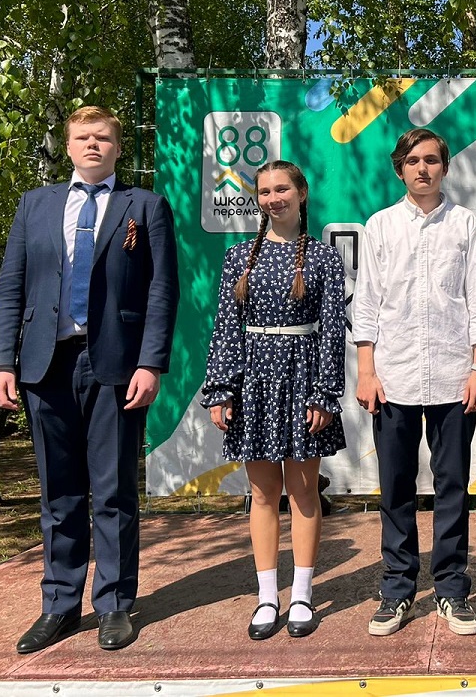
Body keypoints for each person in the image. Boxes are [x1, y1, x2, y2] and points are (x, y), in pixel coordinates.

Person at [0, 106, 179, 653]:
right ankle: (59, 605)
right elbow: (11, 286)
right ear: (68, 146)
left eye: (103, 137)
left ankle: (115, 604)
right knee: (59, 493)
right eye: (82, 137)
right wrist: (1, 362)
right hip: (44, 365)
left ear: (118, 146)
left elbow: (162, 290)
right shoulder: (36, 204)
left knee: (114, 492)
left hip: (115, 366)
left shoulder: (145, 205)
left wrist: (150, 363)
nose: (93, 145)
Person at [353, 128, 476, 637]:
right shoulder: (380, 226)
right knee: (395, 487)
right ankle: (396, 590)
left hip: (454, 378)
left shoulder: (466, 224)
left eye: (431, 160)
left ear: (445, 167)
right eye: (413, 161)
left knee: (452, 485)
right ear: (400, 169)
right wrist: (366, 371)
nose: (422, 169)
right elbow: (367, 303)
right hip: (392, 377)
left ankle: (452, 589)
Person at [201, 161, 347, 640]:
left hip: (303, 379)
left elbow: (332, 332)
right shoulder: (239, 256)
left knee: (303, 491)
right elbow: (226, 326)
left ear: (301, 193)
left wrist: (324, 393)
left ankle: (302, 594)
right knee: (262, 494)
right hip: (254, 383)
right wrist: (221, 389)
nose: (272, 198)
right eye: (264, 191)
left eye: (281, 189)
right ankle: (268, 597)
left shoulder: (323, 257)